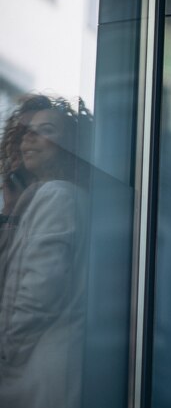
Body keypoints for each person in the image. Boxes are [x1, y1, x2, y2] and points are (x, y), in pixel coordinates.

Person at [0, 94, 91, 408]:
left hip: (33, 373)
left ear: (68, 147)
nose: (30, 138)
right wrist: (12, 208)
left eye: (46, 130)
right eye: (27, 130)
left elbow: (39, 293)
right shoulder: (41, 197)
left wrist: (6, 350)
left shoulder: (58, 195)